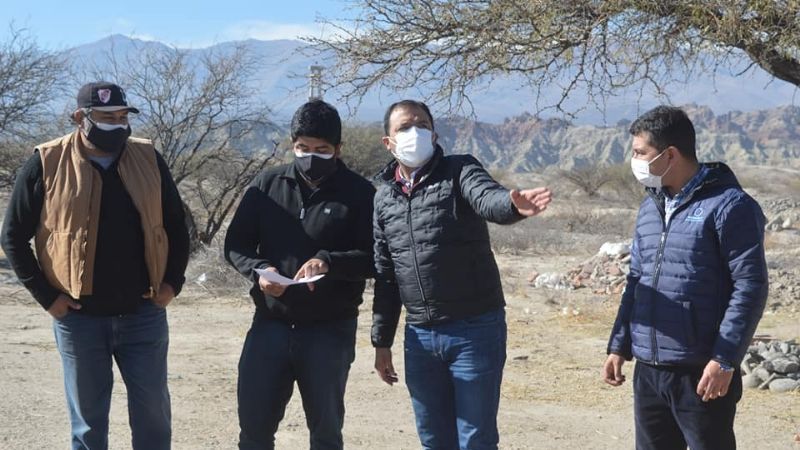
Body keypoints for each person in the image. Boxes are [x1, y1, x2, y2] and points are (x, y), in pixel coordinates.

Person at [1, 81, 190, 450]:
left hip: (143, 313)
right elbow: (13, 236)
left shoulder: (148, 158)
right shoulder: (46, 160)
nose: (116, 125)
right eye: (105, 118)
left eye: (121, 117)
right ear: (80, 117)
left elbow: (174, 224)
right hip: (79, 318)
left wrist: (172, 284)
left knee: (153, 418)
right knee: (88, 426)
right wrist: (47, 297)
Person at [371, 99, 553, 450]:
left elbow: (488, 198)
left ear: (435, 133)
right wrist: (382, 342)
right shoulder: (384, 199)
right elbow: (386, 274)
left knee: (475, 440)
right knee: (433, 439)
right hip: (420, 337)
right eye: (404, 128)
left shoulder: (459, 170)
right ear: (388, 142)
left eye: (422, 125)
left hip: (474, 331)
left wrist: (512, 206)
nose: (415, 133)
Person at [602, 105, 769, 450]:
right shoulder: (650, 207)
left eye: (640, 153)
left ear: (670, 154)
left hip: (701, 371)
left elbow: (750, 286)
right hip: (649, 370)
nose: (634, 161)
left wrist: (725, 359)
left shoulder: (729, 206)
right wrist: (620, 345)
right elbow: (637, 280)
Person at [224, 99, 376, 450]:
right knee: (254, 432)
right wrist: (259, 270)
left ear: (338, 149)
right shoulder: (266, 185)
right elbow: (236, 244)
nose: (311, 156)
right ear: (293, 145)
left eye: (322, 150)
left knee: (325, 434)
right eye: (302, 148)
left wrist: (330, 261)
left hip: (329, 331)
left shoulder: (359, 194)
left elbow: (374, 258)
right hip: (269, 326)